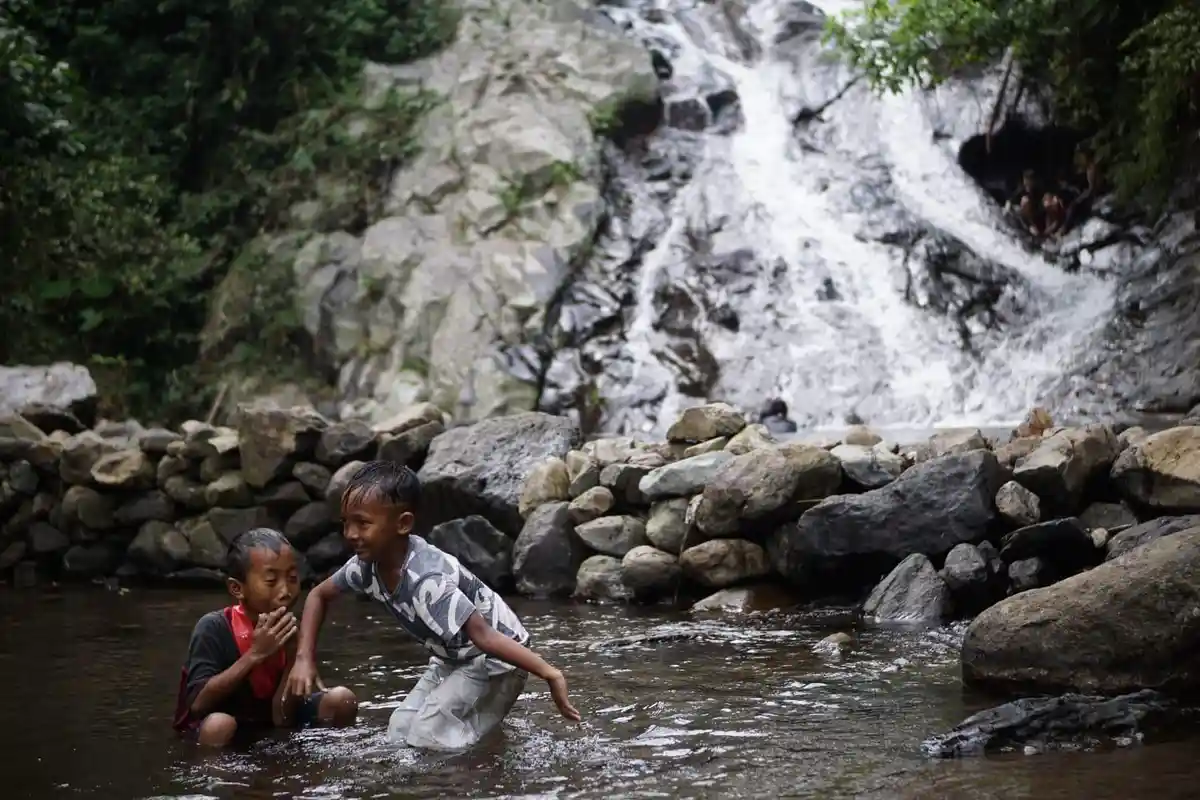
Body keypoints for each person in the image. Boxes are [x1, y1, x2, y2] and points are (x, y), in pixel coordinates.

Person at [287, 460, 581, 752]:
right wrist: (304, 658)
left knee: (430, 737)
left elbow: (485, 637)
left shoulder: (427, 581)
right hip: (453, 658)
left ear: (403, 524)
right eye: (345, 523)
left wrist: (550, 673)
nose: (350, 534)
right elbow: (317, 595)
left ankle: (486, 768)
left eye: (362, 523)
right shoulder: (365, 567)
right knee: (399, 731)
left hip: (498, 663)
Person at [172, 528, 359, 746]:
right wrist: (255, 654)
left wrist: (293, 657)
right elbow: (197, 705)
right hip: (224, 728)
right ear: (237, 588)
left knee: (342, 700)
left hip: (268, 724)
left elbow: (282, 719)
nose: (285, 590)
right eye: (271, 581)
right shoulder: (213, 627)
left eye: (292, 578)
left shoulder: (293, 629)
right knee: (218, 725)